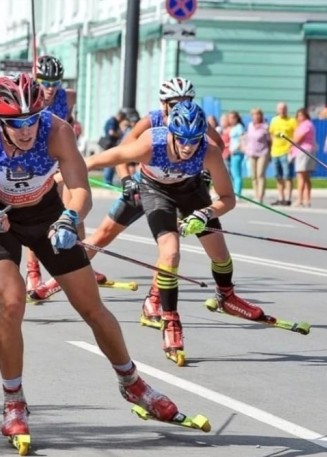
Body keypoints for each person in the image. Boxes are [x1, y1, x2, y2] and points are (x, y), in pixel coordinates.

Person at [0, 73, 184, 442]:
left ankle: (131, 382)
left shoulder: (56, 131)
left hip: (47, 214)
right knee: (11, 301)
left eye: (31, 120)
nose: (26, 131)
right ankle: (14, 401)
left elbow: (79, 189)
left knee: (92, 307)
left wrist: (71, 218)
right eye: (15, 124)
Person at [85, 100, 272, 365]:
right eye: (182, 139)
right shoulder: (152, 144)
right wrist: (58, 176)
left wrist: (205, 213)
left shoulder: (209, 151)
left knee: (219, 254)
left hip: (191, 191)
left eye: (194, 140)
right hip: (156, 192)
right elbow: (102, 159)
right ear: (171, 132)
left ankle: (226, 297)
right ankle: (170, 320)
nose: (188, 146)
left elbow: (228, 199)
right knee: (170, 254)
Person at [30, 78, 225, 320]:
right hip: (144, 186)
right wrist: (126, 180)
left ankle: (154, 300)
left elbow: (218, 146)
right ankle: (57, 279)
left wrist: (202, 172)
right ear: (164, 103)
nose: (181, 106)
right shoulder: (151, 122)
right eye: (176, 102)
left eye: (187, 101)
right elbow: (120, 153)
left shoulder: (193, 122)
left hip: (181, 190)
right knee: (104, 234)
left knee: (168, 249)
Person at [23, 55, 77, 295]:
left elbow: (68, 120)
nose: (50, 88)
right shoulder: (26, 96)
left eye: (55, 82)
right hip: (34, 161)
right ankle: (33, 271)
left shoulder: (69, 97)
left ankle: (79, 264)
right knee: (38, 216)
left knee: (72, 210)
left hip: (57, 158)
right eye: (44, 81)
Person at [268, 102, 297, 206]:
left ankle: (288, 198)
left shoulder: (292, 121)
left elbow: (296, 135)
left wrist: (291, 148)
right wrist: (272, 147)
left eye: (284, 108)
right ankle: (281, 198)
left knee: (287, 176)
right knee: (278, 176)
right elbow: (271, 134)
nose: (282, 110)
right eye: (280, 108)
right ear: (277, 110)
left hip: (286, 151)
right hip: (275, 151)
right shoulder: (274, 120)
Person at [244, 108, 271, 203]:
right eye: (253, 115)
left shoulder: (265, 126)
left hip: (263, 152)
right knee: (253, 176)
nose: (255, 116)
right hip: (252, 153)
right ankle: (255, 195)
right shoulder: (250, 125)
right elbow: (247, 138)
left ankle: (260, 196)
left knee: (260, 174)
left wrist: (270, 154)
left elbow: (269, 141)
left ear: (261, 116)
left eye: (257, 114)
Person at [291, 108, 316, 207]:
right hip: (304, 151)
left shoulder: (306, 124)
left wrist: (290, 145)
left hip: (304, 151)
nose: (299, 118)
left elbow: (298, 139)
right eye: (298, 115)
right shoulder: (303, 125)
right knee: (305, 177)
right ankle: (306, 199)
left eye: (301, 115)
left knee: (301, 176)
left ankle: (300, 199)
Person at [99, 110, 126, 185]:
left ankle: (107, 181)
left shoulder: (111, 120)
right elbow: (111, 132)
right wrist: (119, 135)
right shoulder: (113, 121)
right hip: (110, 144)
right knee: (110, 162)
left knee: (109, 162)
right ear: (120, 116)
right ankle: (107, 182)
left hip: (109, 144)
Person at [227, 111, 245, 196]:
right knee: (233, 173)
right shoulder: (233, 128)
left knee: (237, 173)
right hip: (232, 153)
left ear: (236, 118)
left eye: (232, 118)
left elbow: (242, 140)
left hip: (237, 153)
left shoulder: (239, 127)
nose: (230, 120)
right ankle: (235, 190)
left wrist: (235, 148)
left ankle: (238, 193)